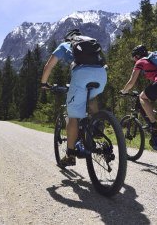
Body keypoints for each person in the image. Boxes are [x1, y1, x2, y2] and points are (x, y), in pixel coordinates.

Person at [41, 29, 107, 167]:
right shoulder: (91, 41)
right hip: (101, 74)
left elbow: (48, 66)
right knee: (92, 96)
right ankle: (97, 125)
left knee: (73, 116)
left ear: (68, 38)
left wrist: (44, 83)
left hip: (81, 75)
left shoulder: (65, 45)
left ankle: (70, 155)